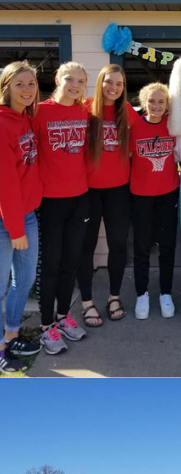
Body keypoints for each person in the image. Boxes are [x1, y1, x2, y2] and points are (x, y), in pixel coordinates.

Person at [33, 61, 90, 354]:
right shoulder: (39, 111)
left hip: (80, 197)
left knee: (71, 263)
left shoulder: (84, 111)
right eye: (70, 79)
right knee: (51, 265)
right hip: (50, 200)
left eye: (81, 81)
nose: (75, 85)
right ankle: (46, 327)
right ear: (58, 78)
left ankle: (63, 317)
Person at [80, 64, 137, 326]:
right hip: (88, 191)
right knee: (86, 246)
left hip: (118, 190)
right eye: (109, 82)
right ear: (100, 82)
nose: (113, 88)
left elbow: (154, 128)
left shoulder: (128, 113)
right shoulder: (86, 108)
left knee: (117, 244)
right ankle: (87, 302)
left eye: (119, 84)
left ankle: (114, 297)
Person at [0, 61, 42, 372]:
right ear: (6, 88)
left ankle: (11, 332)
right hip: (6, 220)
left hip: (25, 214)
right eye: (19, 84)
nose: (27, 89)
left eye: (31, 84)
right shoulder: (3, 124)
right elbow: (6, 183)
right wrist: (15, 229)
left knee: (24, 279)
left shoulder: (26, 118)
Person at [129, 81, 179, 320]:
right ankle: (142, 293)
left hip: (168, 193)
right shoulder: (135, 127)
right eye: (152, 101)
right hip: (140, 195)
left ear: (167, 104)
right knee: (141, 247)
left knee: (168, 246)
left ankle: (165, 293)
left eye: (161, 101)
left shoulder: (173, 126)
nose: (156, 105)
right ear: (143, 102)